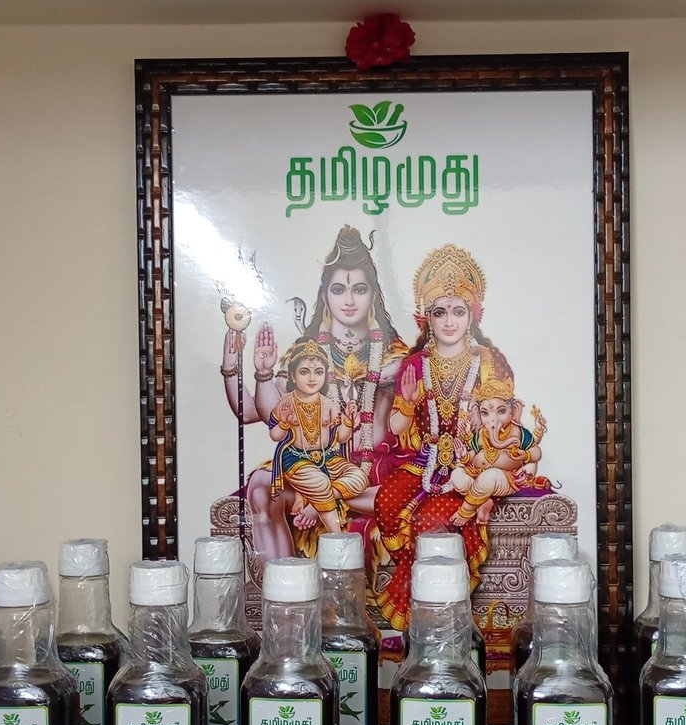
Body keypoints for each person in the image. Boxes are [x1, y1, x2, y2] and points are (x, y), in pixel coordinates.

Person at [219, 227, 408, 569]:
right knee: (261, 486)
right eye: (338, 290)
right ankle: (286, 588)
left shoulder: (394, 356)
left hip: (370, 476)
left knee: (398, 492)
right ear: (325, 295)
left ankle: (323, 497)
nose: (348, 300)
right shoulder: (305, 355)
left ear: (373, 296)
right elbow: (255, 413)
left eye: (359, 289)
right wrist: (245, 369)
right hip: (311, 465)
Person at [372, 243, 523, 630]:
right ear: (426, 318)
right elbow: (397, 428)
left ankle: (429, 608)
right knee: (386, 501)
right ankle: (415, 576)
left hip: (472, 465)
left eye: (459, 311)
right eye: (440, 312)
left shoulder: (488, 362)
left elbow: (503, 423)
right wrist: (407, 404)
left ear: (474, 315)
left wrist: (484, 485)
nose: (450, 321)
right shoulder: (415, 364)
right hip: (425, 459)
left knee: (429, 522)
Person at [267, 341, 365, 534]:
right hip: (296, 459)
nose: (312, 379)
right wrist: (284, 423)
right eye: (304, 372)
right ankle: (336, 535)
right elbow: (274, 435)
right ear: (293, 375)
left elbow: (341, 438)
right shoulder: (286, 403)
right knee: (320, 483)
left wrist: (348, 421)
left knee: (359, 478)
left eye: (319, 372)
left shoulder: (329, 404)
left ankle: (309, 497)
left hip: (327, 458)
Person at [448, 377, 549, 527]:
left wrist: (526, 455)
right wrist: (464, 455)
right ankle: (483, 500)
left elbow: (536, 452)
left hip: (505, 479)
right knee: (456, 475)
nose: (492, 419)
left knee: (490, 477)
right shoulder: (481, 433)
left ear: (513, 411)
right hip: (477, 474)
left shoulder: (518, 432)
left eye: (501, 411)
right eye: (485, 413)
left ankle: (466, 510)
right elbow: (473, 455)